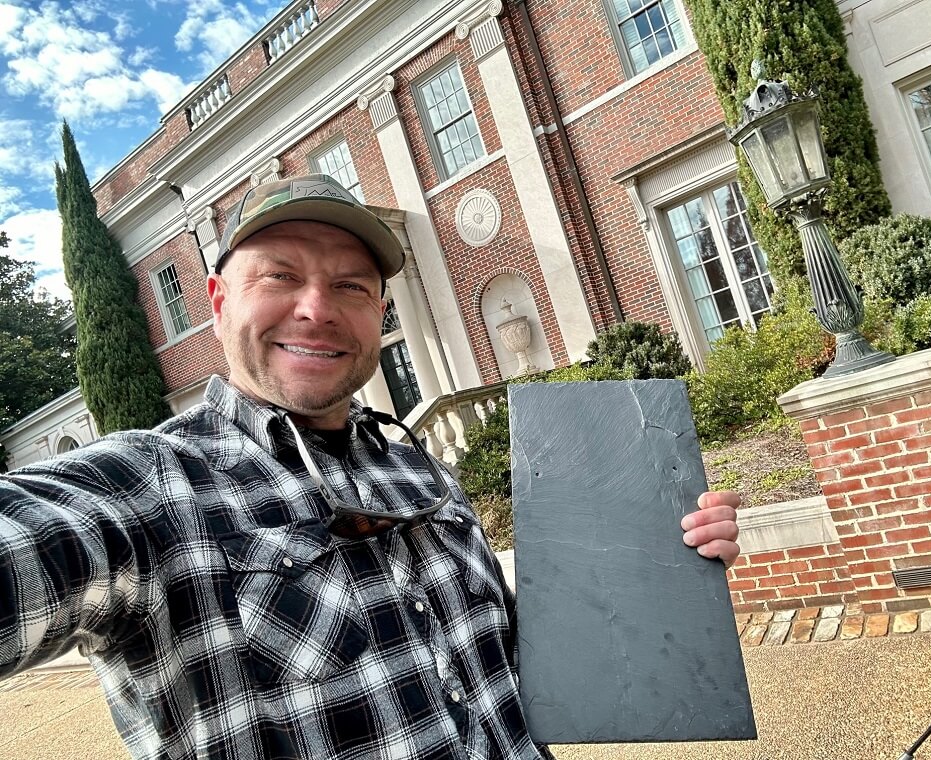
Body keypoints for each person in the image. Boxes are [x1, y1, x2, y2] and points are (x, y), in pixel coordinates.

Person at [0, 174, 741, 760]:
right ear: (220, 303)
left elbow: (501, 664)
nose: (318, 308)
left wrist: (646, 560)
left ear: (379, 314)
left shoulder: (421, 473)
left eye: (351, 286)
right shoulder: (150, 491)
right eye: (281, 277)